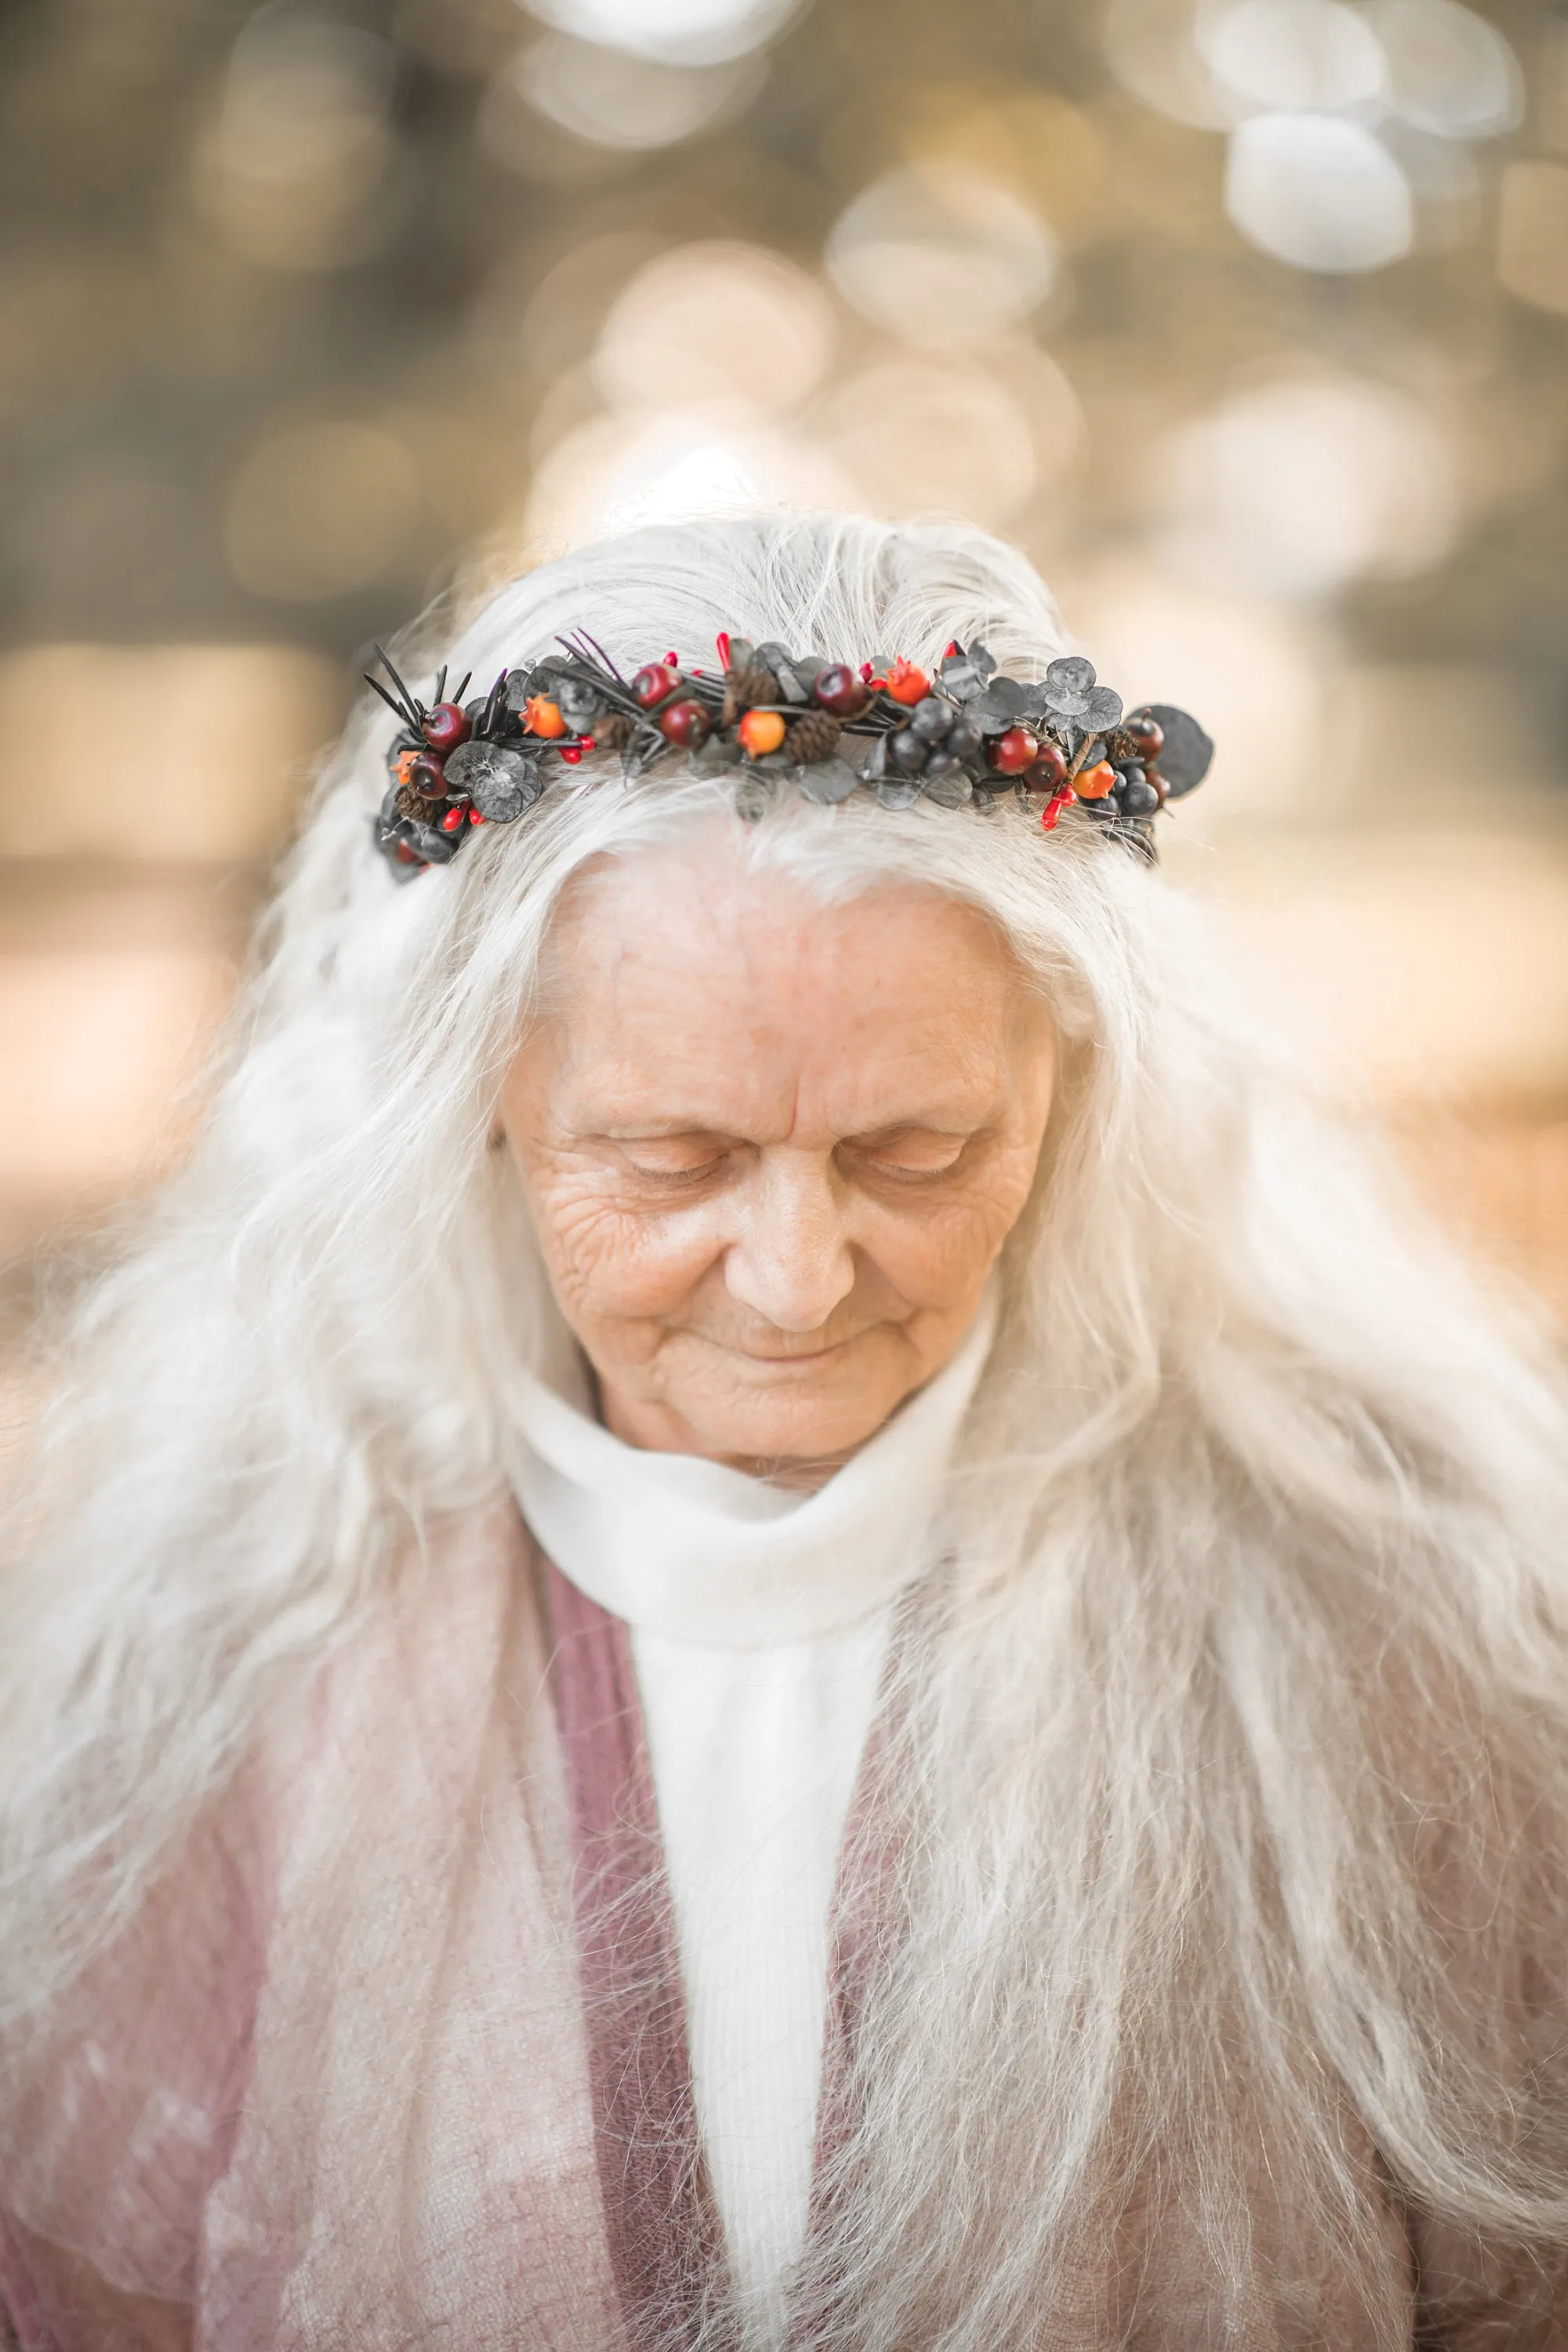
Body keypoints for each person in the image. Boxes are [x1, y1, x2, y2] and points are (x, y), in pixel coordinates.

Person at [2, 512, 1566, 2352]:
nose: (796, 1279)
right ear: (473, 1097)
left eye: (918, 1153)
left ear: (1075, 1083)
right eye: (672, 1159)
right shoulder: (214, 1634)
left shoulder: (1413, 1616)